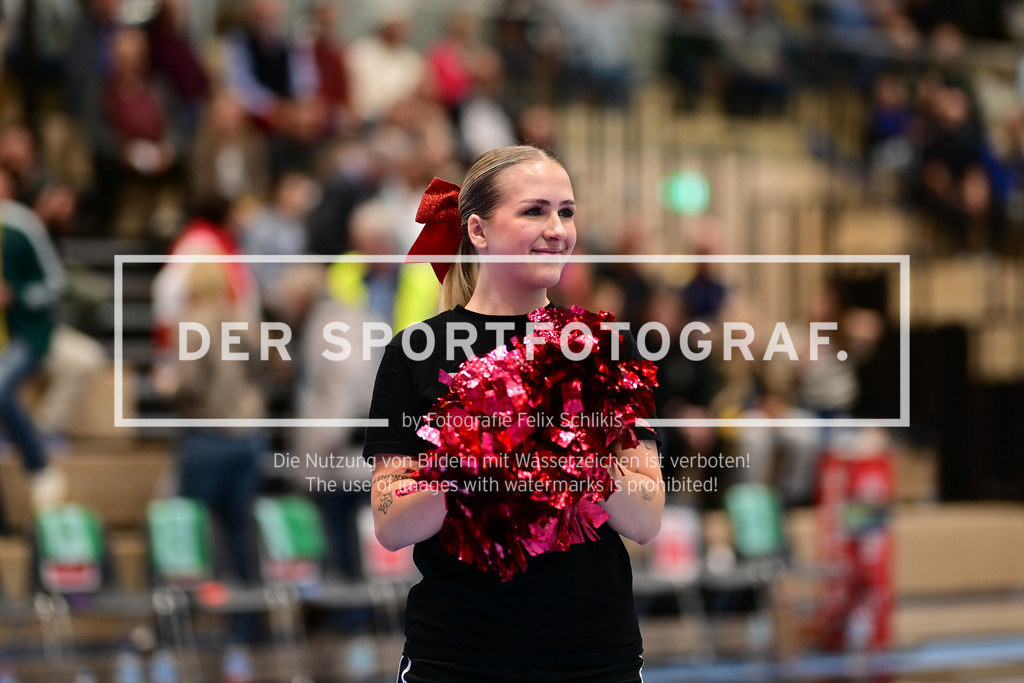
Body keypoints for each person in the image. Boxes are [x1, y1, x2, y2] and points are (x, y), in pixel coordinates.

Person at [363, 145, 664, 682]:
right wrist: (470, 458)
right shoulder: (417, 350)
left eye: (566, 211)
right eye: (535, 211)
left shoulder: (603, 347)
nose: (558, 229)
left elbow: (645, 518)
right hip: (458, 656)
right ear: (478, 231)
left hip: (594, 656)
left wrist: (572, 449)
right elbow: (390, 523)